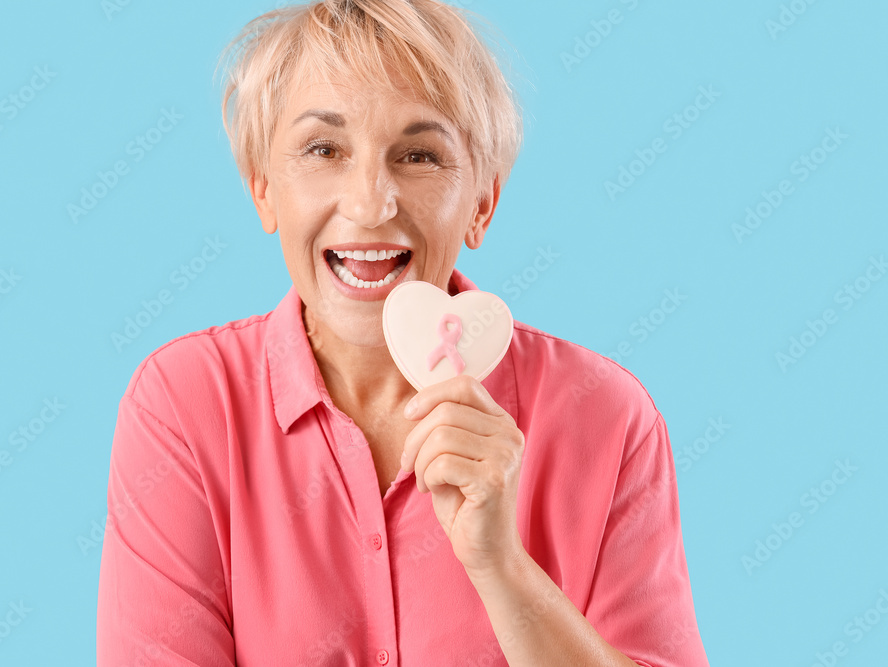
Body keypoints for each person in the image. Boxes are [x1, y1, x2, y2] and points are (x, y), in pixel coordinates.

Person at [95, 1, 711, 665]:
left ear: (481, 205)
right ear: (265, 190)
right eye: (323, 149)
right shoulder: (185, 404)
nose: (369, 203)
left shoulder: (607, 418)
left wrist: (501, 566)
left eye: (419, 155)